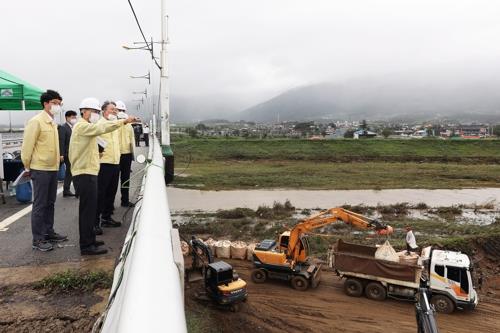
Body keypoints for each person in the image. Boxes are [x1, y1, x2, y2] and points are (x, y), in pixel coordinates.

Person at [69, 97, 137, 255]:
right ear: (84, 111)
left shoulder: (88, 126)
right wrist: (124, 121)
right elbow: (102, 130)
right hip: (84, 172)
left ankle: (90, 239)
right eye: (94, 111)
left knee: (91, 208)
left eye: (97, 112)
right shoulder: (82, 126)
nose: (95, 114)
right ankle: (86, 246)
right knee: (87, 211)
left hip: (90, 171)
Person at [21, 89, 67, 251]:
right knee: (40, 204)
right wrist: (27, 166)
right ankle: (38, 239)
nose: (57, 106)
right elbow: (27, 147)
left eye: (59, 104)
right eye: (54, 103)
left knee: (50, 203)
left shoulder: (52, 122)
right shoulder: (36, 121)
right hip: (40, 168)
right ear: (45, 104)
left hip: (53, 168)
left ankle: (48, 232)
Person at [96, 101, 122, 233]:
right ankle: (96, 221)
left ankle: (106, 218)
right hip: (104, 163)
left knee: (111, 192)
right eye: (112, 109)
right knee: (101, 193)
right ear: (104, 111)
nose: (114, 112)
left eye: (116, 110)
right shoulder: (101, 124)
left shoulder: (114, 126)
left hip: (114, 162)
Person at [116, 101, 135, 208]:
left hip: (127, 155)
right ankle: (108, 205)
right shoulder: (112, 124)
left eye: (123, 111)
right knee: (112, 181)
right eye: (120, 110)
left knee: (126, 179)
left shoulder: (129, 125)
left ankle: (125, 200)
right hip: (115, 155)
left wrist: (133, 155)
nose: (122, 112)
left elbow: (132, 140)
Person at [58, 110, 78, 197]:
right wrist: (61, 154)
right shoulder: (63, 127)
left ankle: (67, 190)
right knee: (70, 171)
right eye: (72, 117)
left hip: (72, 153)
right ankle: (70, 190)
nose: (74, 119)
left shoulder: (73, 127)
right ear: (67, 117)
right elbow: (61, 141)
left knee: (70, 172)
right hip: (66, 153)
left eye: (75, 117)